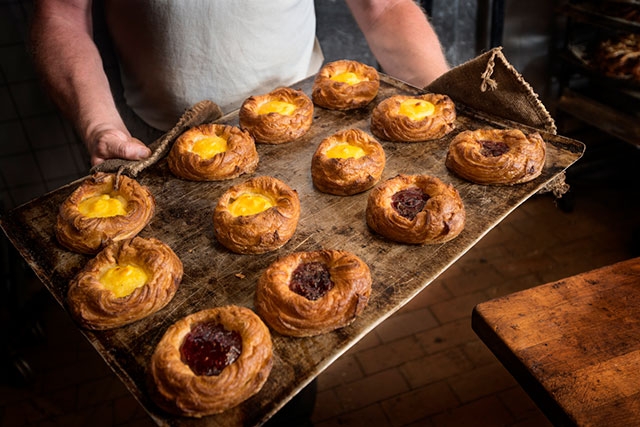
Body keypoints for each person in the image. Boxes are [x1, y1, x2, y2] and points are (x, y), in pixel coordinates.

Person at [29, 0, 450, 167]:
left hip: (308, 132)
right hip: (158, 142)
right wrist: (100, 126)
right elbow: (61, 15)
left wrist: (444, 95)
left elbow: (383, 6)